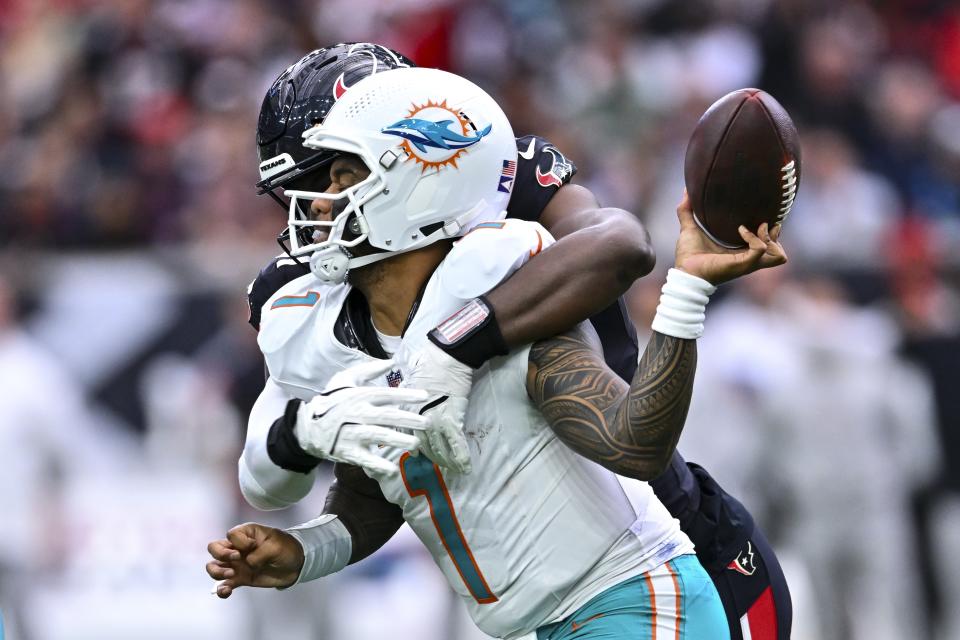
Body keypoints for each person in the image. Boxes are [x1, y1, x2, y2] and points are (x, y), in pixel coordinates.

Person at [209, 64, 788, 639]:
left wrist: (454, 347)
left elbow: (620, 255)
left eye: (337, 175)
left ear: (417, 168)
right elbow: (385, 492)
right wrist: (306, 547)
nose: (312, 205)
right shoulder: (332, 319)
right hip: (551, 620)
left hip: (642, 581)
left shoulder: (502, 271)